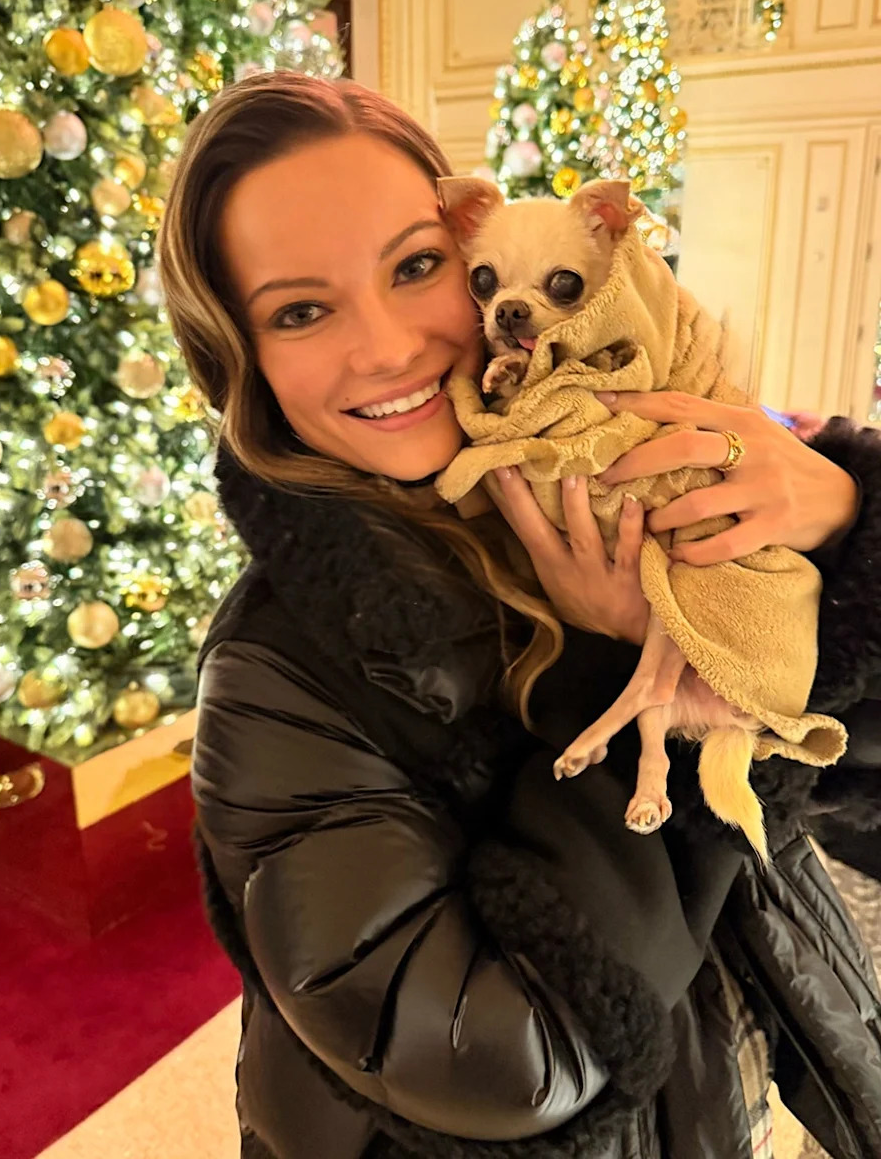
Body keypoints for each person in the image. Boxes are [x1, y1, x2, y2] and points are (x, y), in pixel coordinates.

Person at [157, 72, 881, 1159]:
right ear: (237, 352)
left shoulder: (601, 472)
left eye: (415, 267)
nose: (388, 346)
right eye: (300, 310)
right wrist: (630, 670)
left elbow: (845, 789)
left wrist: (846, 529)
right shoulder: (274, 675)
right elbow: (507, 1058)